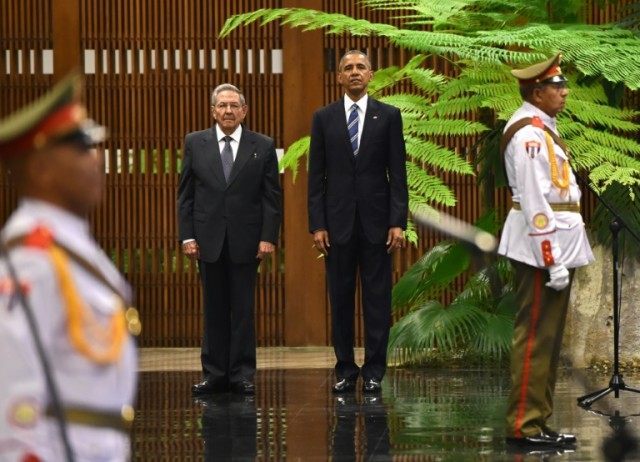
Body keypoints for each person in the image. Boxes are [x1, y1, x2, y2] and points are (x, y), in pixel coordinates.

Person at [0, 73, 139, 461]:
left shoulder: (68, 246)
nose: (95, 157)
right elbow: (15, 399)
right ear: (40, 168)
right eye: (80, 145)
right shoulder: (31, 258)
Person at [498, 53, 594, 448]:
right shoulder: (528, 135)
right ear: (537, 92)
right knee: (536, 337)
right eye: (558, 87)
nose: (565, 92)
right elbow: (536, 203)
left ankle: (538, 419)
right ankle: (524, 425)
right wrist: (551, 259)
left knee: (548, 339)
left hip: (555, 245)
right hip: (540, 251)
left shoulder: (543, 128)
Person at [308, 50, 408, 394]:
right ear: (338, 77)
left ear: (371, 75)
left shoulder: (389, 116)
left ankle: (376, 368)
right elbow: (315, 177)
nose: (354, 73)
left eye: (360, 67)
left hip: (378, 225)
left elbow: (398, 174)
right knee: (340, 299)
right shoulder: (323, 118)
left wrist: (398, 221)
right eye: (347, 68)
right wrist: (317, 224)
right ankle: (345, 368)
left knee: (378, 299)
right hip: (336, 227)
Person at [178, 84, 281, 396]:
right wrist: (188, 236)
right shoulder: (196, 142)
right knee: (213, 310)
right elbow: (186, 196)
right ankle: (213, 374)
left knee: (243, 310)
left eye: (234, 105)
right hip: (206, 240)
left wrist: (267, 237)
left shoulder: (262, 146)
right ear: (213, 111)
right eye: (222, 106)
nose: (227, 111)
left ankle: (241, 375)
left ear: (244, 111)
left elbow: (271, 198)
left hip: (247, 242)